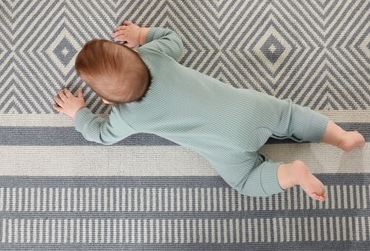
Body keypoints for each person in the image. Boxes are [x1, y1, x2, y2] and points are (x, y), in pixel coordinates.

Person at [53, 21, 365, 202]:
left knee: (246, 181)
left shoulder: (126, 117)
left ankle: (291, 174)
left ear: (108, 101)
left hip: (227, 144)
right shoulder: (154, 54)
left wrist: (79, 112)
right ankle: (342, 138)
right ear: (132, 53)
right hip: (252, 108)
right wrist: (142, 34)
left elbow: (101, 134)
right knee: (291, 115)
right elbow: (174, 39)